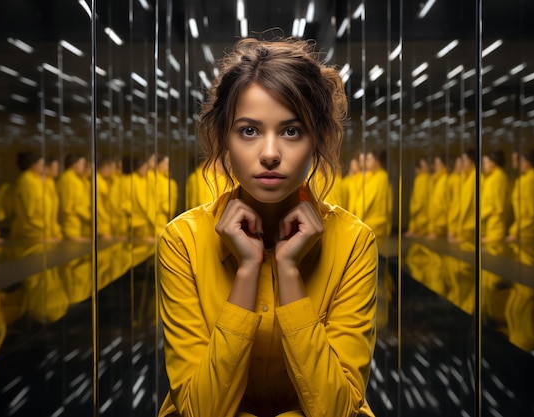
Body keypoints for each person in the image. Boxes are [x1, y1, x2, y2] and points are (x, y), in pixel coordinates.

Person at [157, 37, 378, 417]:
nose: (271, 153)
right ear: (223, 138)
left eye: (291, 131)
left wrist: (289, 271)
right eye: (248, 131)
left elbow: (336, 410)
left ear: (319, 139)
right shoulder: (182, 241)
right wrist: (246, 270)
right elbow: (198, 411)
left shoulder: (354, 241)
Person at [506, 149, 534, 242]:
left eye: (520, 160)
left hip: (531, 229)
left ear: (529, 162)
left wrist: (516, 231)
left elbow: (531, 212)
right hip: (525, 228)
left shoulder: (532, 178)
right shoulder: (525, 178)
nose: (516, 164)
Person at [480, 149, 509, 243]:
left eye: (486, 163)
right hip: (489, 225)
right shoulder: (490, 177)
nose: (483, 166)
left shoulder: (498, 178)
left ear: (493, 163)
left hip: (495, 227)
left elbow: (498, 207)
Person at [404, 157, 431, 237]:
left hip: (421, 218)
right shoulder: (425, 179)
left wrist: (413, 209)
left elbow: (420, 200)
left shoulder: (422, 179)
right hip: (422, 218)